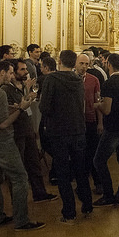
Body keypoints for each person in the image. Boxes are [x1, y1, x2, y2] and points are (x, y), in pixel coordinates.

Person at [0, 60, 45, 231]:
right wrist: (21, 109)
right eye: (9, 72)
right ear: (2, 73)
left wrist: (10, 106)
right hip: (2, 140)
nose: (11, 75)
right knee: (20, 178)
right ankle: (22, 221)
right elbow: (3, 124)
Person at [39, 50, 93, 224]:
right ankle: (87, 204)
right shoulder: (78, 79)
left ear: (60, 61)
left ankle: (69, 212)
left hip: (59, 132)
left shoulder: (52, 80)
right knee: (80, 169)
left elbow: (45, 107)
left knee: (63, 173)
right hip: (78, 129)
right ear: (74, 63)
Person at [2, 58, 57, 203]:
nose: (26, 72)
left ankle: (40, 193)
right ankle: (18, 202)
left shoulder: (22, 86)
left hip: (27, 130)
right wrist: (26, 99)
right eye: (22, 69)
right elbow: (11, 110)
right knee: (18, 167)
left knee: (34, 164)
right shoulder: (6, 89)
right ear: (13, 73)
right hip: (16, 132)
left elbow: (24, 106)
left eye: (26, 69)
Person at [94, 53, 119, 207]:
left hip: (113, 127)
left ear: (109, 64)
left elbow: (107, 109)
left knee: (98, 160)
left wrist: (97, 105)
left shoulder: (109, 83)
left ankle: (108, 194)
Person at [75, 54, 103, 195]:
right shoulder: (71, 80)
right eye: (81, 63)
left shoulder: (94, 80)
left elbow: (98, 102)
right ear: (75, 64)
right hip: (75, 123)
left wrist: (100, 123)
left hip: (90, 121)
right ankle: (82, 183)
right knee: (79, 155)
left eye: (86, 64)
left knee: (93, 153)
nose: (84, 66)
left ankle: (98, 183)